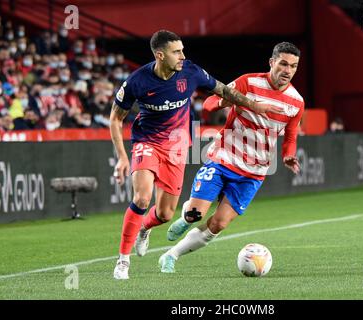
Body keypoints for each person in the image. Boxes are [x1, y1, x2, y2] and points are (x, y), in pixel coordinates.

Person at [111, 30, 283, 279]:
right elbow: (115, 119)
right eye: (176, 51)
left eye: (182, 50)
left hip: (177, 147)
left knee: (165, 214)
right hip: (147, 142)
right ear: (160, 55)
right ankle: (123, 261)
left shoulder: (190, 72)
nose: (183, 55)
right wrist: (122, 156)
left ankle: (145, 228)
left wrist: (256, 106)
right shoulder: (137, 81)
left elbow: (224, 91)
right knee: (142, 197)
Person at [154, 42, 304, 273]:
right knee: (196, 214)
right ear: (272, 62)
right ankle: (186, 219)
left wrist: (288, 155)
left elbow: (291, 137)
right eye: (283, 64)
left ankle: (171, 256)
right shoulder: (247, 82)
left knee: (218, 224)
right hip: (223, 158)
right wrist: (230, 100)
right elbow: (209, 104)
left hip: (254, 172)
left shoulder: (296, 102)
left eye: (293, 66)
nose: (287, 70)